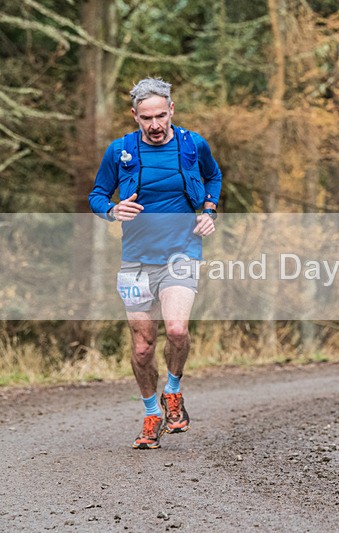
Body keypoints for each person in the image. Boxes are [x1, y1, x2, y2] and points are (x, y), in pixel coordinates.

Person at [89, 78, 222, 449]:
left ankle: (173, 392)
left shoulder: (192, 145)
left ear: (172, 110)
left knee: (177, 330)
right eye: (146, 118)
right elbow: (97, 195)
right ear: (135, 116)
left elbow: (213, 176)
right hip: (135, 262)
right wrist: (112, 210)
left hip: (182, 253)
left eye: (161, 115)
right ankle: (150, 414)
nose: (155, 124)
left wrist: (209, 210)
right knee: (143, 348)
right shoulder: (120, 151)